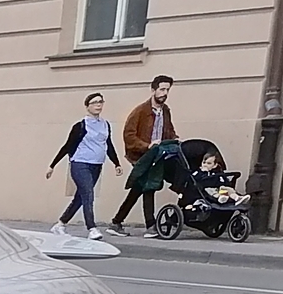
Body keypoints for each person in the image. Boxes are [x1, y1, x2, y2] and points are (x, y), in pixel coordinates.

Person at [110, 75, 183, 230]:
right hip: (141, 156)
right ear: (153, 90)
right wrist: (146, 145)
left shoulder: (165, 111)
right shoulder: (140, 111)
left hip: (157, 155)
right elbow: (129, 135)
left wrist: (175, 139)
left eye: (167, 90)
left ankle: (117, 221)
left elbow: (169, 130)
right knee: (149, 186)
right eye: (162, 89)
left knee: (139, 188)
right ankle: (151, 225)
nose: (165, 93)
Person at [45, 91, 120, 238]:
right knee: (88, 195)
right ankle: (92, 228)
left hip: (97, 165)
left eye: (100, 102)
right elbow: (67, 146)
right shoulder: (80, 126)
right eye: (94, 102)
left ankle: (60, 224)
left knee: (80, 198)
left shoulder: (105, 125)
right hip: (80, 164)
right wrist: (52, 165)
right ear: (87, 107)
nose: (98, 105)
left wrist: (116, 163)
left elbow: (108, 144)